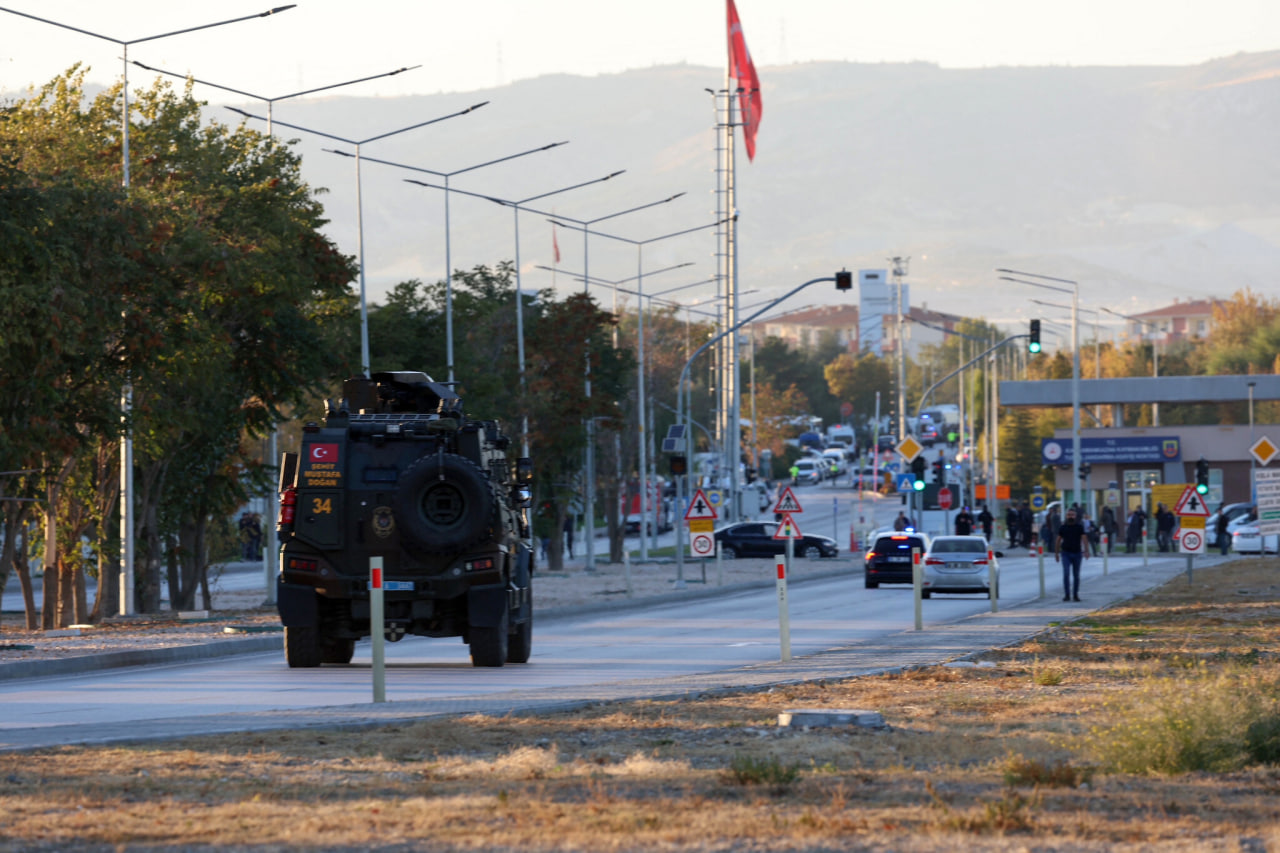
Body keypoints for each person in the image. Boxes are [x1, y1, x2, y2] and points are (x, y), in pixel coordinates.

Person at [1056, 506, 1091, 601]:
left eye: (1072, 515)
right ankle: (1067, 594)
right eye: (1068, 515)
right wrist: (1056, 553)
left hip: (1077, 553)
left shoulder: (1079, 527)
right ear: (1066, 516)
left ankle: (1075, 594)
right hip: (1065, 553)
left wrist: (1087, 551)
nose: (1070, 516)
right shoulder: (1063, 527)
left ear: (1075, 516)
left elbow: (1084, 539)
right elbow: (1058, 540)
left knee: (1076, 575)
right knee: (1066, 573)